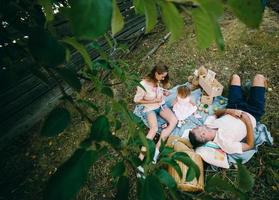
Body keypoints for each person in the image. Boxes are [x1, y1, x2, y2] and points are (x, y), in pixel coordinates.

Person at [188, 74, 267, 154]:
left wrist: (229, 111)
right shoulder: (226, 145)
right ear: (203, 134)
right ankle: (251, 92)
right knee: (259, 77)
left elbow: (216, 113)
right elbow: (249, 145)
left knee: (235, 77)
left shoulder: (208, 125)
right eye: (196, 128)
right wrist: (247, 120)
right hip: (253, 112)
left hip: (235, 105)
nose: (197, 126)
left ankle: (246, 92)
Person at [134, 62, 177, 162]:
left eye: (164, 77)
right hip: (150, 108)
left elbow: (159, 91)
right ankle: (141, 157)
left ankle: (156, 150)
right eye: (162, 76)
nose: (163, 79)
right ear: (156, 73)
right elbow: (136, 100)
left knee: (174, 120)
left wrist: (164, 92)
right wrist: (153, 101)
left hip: (161, 105)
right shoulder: (142, 85)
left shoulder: (158, 81)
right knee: (154, 129)